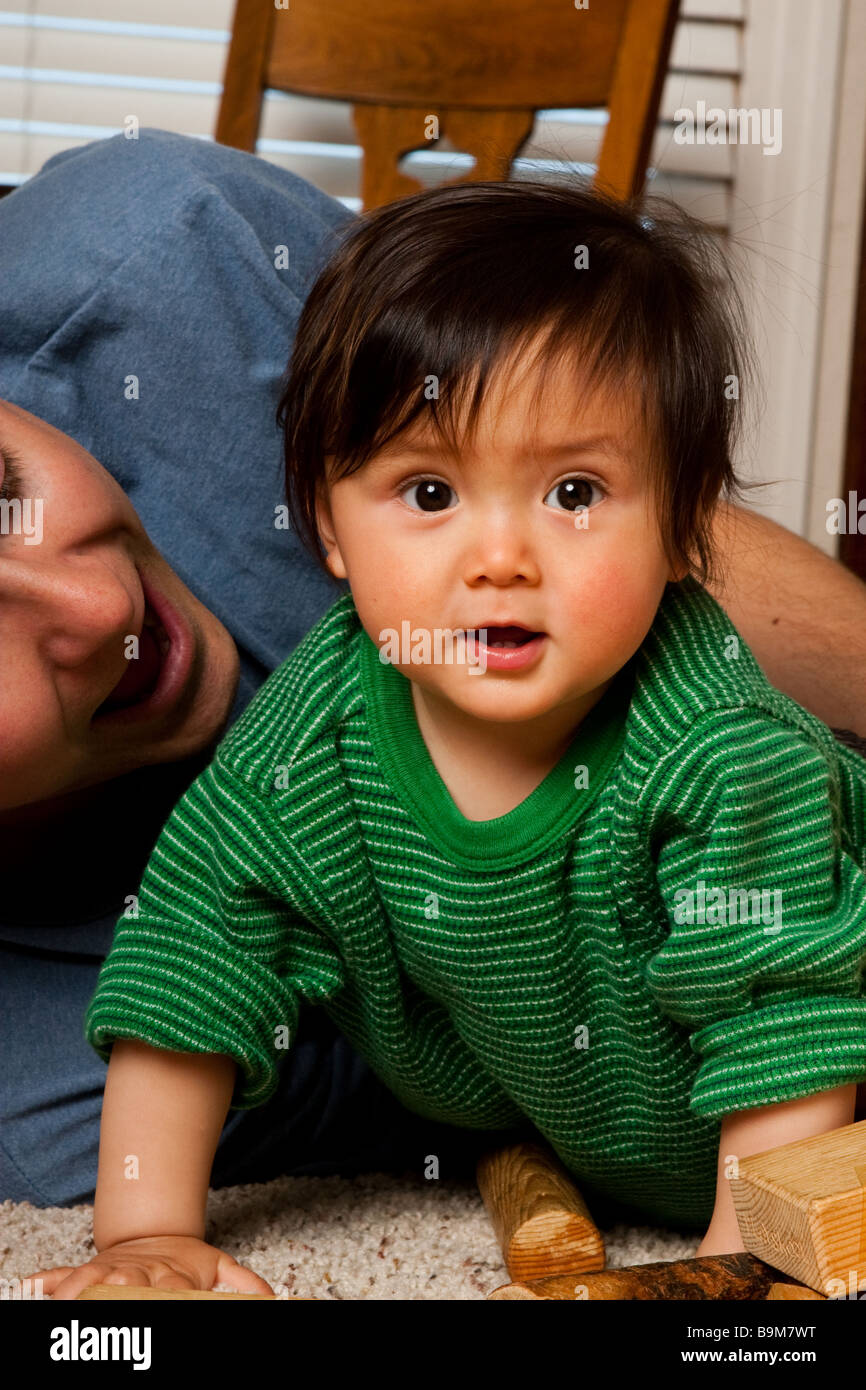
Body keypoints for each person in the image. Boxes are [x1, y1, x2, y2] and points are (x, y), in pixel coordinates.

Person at [27, 176, 866, 1298]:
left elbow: (788, 1022)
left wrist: (733, 1270)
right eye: (428, 492)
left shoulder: (724, 754)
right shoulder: (312, 737)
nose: (500, 559)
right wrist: (146, 1235)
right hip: (603, 1132)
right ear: (326, 526)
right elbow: (195, 953)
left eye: (574, 491)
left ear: (682, 528)